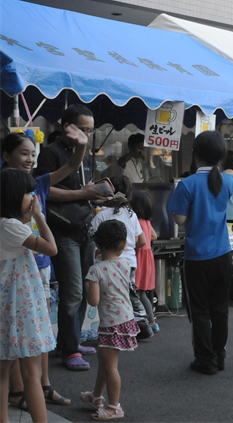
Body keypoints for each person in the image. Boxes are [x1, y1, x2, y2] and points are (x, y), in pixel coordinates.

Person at [2, 129, 88, 409]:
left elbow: (73, 165)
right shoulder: (6, 198)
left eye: (32, 153)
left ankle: (42, 386)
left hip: (37, 266)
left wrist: (82, 145)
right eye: (23, 153)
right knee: (19, 335)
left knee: (37, 331)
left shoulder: (38, 183)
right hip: (17, 272)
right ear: (6, 156)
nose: (29, 159)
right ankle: (21, 391)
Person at [35, 104, 110, 371]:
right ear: (68, 126)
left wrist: (97, 193)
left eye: (90, 130)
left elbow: (83, 188)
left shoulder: (84, 154)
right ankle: (68, 350)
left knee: (85, 287)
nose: (87, 135)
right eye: (83, 129)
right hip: (62, 230)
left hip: (84, 227)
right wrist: (82, 194)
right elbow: (47, 191)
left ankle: (72, 341)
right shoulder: (50, 153)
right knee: (73, 290)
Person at [169, 131, 233, 375]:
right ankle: (219, 355)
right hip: (223, 255)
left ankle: (205, 359)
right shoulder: (229, 182)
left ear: (195, 155)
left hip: (197, 257)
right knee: (220, 310)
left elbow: (180, 218)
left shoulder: (186, 184)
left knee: (199, 311)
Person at [0, 169, 58, 423]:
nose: (33, 197)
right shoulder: (10, 226)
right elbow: (51, 248)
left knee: (3, 374)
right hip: (21, 309)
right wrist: (39, 215)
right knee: (31, 374)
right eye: (28, 192)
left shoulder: (7, 225)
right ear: (14, 196)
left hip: (8, 309)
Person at [81, 220, 140, 420]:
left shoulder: (95, 270)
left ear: (97, 244)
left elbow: (93, 300)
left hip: (111, 325)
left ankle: (114, 407)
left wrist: (89, 285)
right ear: (123, 245)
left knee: (110, 367)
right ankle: (96, 397)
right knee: (105, 361)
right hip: (125, 320)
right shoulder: (125, 264)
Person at [91, 176, 153, 341]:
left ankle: (117, 327)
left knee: (111, 297)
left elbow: (92, 238)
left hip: (107, 264)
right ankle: (141, 322)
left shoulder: (101, 215)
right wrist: (129, 248)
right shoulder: (131, 214)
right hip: (128, 263)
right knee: (131, 294)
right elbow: (142, 240)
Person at [131, 190, 159, 332]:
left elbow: (139, 242)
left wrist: (133, 245)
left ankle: (147, 323)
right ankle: (153, 322)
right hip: (148, 257)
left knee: (136, 293)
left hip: (139, 257)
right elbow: (154, 236)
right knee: (142, 293)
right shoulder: (147, 221)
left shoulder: (136, 221)